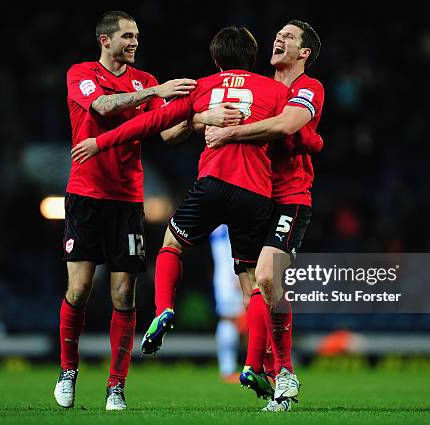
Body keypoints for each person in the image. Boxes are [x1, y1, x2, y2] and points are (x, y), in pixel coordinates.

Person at [71, 26, 298, 378]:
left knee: (171, 244)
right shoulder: (275, 90)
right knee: (253, 280)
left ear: (216, 58)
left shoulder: (202, 86)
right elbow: (295, 138)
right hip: (255, 192)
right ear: (254, 58)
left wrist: (101, 143)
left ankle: (164, 308)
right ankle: (255, 365)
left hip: (211, 184)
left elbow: (152, 124)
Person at [54, 10, 203, 411]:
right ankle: (68, 373)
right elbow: (102, 106)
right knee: (80, 289)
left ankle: (116, 387)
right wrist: (154, 95)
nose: (135, 42)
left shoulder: (147, 81)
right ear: (105, 40)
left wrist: (197, 115)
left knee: (124, 294)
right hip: (86, 194)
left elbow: (167, 132)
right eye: (128, 36)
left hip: (128, 200)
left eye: (137, 36)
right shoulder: (82, 73)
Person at [204, 20, 324, 412]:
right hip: (251, 195)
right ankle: (270, 375)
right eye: (278, 35)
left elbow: (288, 124)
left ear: (304, 52)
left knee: (269, 276)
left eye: (289, 38)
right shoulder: (260, 87)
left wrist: (231, 133)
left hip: (289, 197)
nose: (279, 39)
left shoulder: (308, 88)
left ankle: (285, 371)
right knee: (251, 293)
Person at [210, 225, 245, 383]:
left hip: (229, 273)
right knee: (229, 318)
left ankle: (233, 368)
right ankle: (227, 369)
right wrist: (237, 275)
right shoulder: (227, 217)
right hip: (230, 275)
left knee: (239, 318)